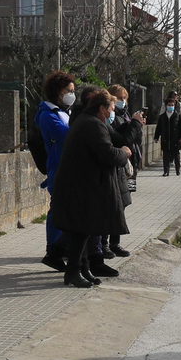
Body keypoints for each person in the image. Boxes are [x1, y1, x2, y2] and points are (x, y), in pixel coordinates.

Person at [49, 87, 130, 289]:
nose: (112, 112)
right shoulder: (93, 125)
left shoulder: (86, 120)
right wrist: (124, 153)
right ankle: (73, 271)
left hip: (82, 185)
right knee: (80, 230)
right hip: (79, 186)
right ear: (102, 108)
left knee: (84, 229)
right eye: (111, 108)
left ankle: (83, 268)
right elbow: (108, 154)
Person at [36, 71, 75, 271]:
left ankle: (62, 248)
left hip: (66, 167)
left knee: (65, 210)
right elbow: (65, 135)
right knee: (57, 211)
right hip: (57, 168)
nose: (71, 95)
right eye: (69, 91)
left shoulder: (63, 112)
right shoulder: (47, 115)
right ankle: (53, 250)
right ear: (58, 91)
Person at [104, 85, 137, 262]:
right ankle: (107, 244)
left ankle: (114, 242)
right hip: (117, 164)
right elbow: (121, 140)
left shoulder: (124, 114)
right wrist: (134, 126)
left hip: (127, 166)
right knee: (114, 205)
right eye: (119, 98)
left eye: (124, 98)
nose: (122, 101)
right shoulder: (111, 119)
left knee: (122, 203)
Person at [155, 90, 181, 176]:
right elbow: (159, 128)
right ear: (166, 106)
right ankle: (166, 171)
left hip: (175, 139)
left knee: (176, 155)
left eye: (172, 105)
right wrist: (156, 137)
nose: (170, 107)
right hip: (165, 138)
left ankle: (177, 170)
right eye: (169, 105)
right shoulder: (162, 117)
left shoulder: (177, 116)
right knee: (166, 156)